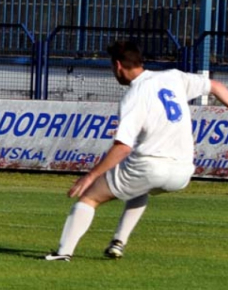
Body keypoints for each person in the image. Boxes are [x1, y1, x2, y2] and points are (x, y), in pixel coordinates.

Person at [45, 40, 228, 262]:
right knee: (138, 188)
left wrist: (91, 175)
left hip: (150, 166)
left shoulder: (134, 96)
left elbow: (123, 147)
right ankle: (118, 242)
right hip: (183, 172)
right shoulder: (173, 76)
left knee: (89, 197)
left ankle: (63, 253)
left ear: (118, 65)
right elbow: (216, 86)